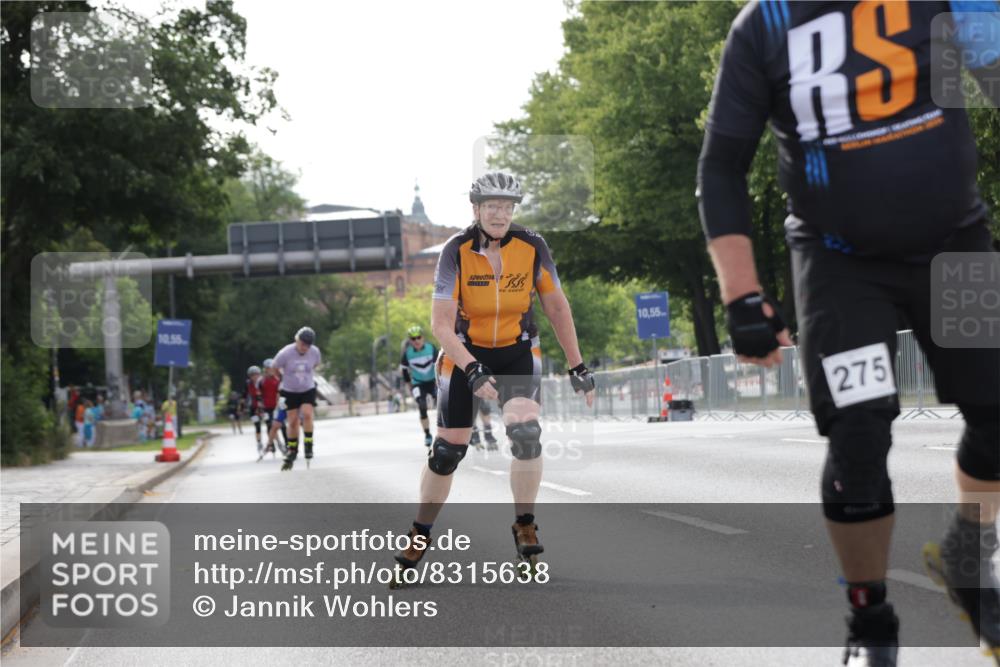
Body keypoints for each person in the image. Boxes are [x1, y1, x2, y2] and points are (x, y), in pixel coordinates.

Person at [698, 3, 999, 665]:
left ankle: (970, 556)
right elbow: (721, 166)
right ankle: (871, 620)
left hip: (957, 247)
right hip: (839, 263)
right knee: (858, 433)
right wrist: (742, 293)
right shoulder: (765, 26)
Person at [393, 171, 596, 576]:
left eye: (507, 207)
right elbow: (441, 325)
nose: (500, 214)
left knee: (525, 432)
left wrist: (577, 364)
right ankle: (419, 533)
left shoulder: (532, 245)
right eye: (492, 207)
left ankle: (524, 524)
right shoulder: (455, 250)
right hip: (464, 352)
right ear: (477, 209)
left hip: (517, 348)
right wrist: (471, 368)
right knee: (449, 451)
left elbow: (557, 306)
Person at [272, 326, 322, 471]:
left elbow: (316, 364)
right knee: (292, 421)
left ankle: (308, 443)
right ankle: (292, 449)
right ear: (296, 340)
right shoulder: (285, 353)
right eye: (302, 343)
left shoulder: (315, 352)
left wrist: (308, 376)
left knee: (307, 414)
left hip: (307, 388)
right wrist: (281, 377)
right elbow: (275, 367)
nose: (304, 347)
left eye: (307, 345)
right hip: (289, 390)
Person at [400, 324, 438, 447]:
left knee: (442, 403)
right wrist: (409, 385)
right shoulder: (407, 354)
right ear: (409, 340)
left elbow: (440, 365)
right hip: (418, 383)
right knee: (422, 406)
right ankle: (427, 434)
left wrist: (441, 380)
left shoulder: (431, 348)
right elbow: (405, 371)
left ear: (423, 338)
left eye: (418, 337)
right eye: (413, 338)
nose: (416, 340)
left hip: (433, 382)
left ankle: (447, 431)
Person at [260, 358, 281, 458]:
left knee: (277, 426)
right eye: (268, 368)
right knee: (269, 426)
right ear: (265, 369)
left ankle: (280, 444)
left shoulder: (277, 380)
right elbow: (258, 395)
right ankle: (272, 446)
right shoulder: (262, 381)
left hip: (276, 407)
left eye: (272, 368)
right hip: (266, 408)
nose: (270, 370)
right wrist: (259, 408)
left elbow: (280, 393)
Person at [245, 365, 265, 455]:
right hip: (253, 408)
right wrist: (242, 407)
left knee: (270, 424)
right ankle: (259, 442)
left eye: (256, 374)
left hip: (263, 407)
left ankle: (273, 443)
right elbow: (244, 396)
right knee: (257, 426)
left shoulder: (262, 382)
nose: (254, 377)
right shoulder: (248, 384)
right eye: (252, 375)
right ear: (249, 376)